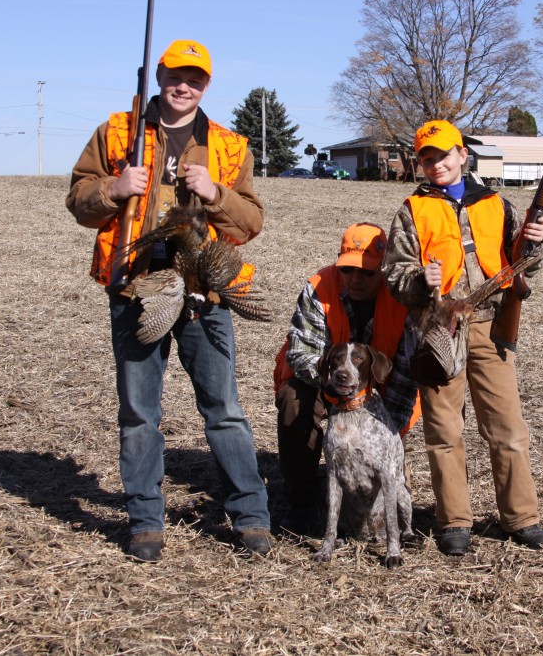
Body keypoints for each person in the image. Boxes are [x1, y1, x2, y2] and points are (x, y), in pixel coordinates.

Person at [65, 39, 273, 562]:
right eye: (176, 75)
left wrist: (215, 193)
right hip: (139, 284)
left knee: (223, 409)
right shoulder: (118, 132)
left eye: (196, 78)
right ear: (158, 75)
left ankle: (250, 517)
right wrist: (114, 187)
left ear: (207, 84)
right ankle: (145, 523)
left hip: (204, 289)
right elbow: (78, 199)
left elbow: (250, 223)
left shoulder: (228, 145)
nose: (184, 86)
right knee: (139, 411)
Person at [382, 119, 543, 556]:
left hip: (491, 325)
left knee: (507, 427)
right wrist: (421, 281)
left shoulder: (497, 203)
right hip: (439, 328)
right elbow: (394, 273)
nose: (435, 163)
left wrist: (533, 244)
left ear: (463, 155)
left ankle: (521, 518)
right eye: (426, 158)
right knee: (443, 429)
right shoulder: (411, 210)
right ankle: (453, 522)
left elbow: (520, 262)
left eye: (443, 154)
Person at [273, 223, 419, 533]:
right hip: (322, 384)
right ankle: (301, 502)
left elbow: (407, 373)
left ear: (384, 270)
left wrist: (389, 429)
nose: (356, 279)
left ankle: (391, 520)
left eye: (367, 272)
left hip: (381, 394)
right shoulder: (319, 287)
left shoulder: (401, 298)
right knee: (293, 400)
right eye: (348, 269)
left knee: (387, 473)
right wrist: (336, 385)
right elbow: (300, 354)